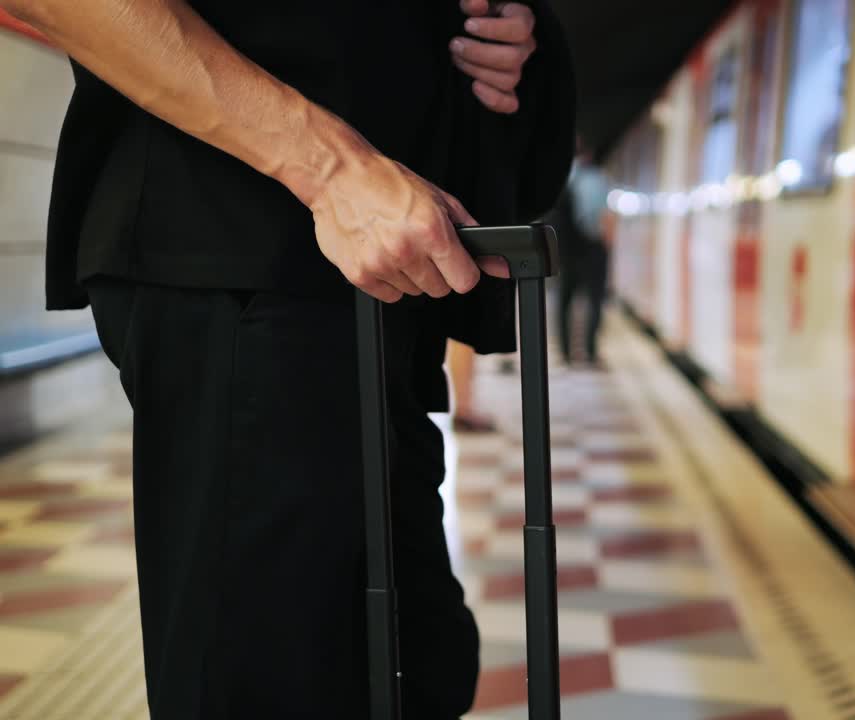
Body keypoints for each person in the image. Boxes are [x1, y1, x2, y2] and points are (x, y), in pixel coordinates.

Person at [0, 0, 575, 717]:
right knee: (271, 678)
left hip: (383, 276)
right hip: (251, 253)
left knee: (416, 666)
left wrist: (517, 35)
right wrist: (332, 170)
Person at [553, 140, 611, 368]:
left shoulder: (561, 180)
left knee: (564, 301)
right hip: (592, 248)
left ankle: (566, 353)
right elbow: (602, 219)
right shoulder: (596, 179)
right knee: (595, 300)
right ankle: (590, 351)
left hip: (566, 251)